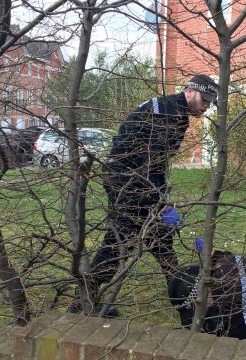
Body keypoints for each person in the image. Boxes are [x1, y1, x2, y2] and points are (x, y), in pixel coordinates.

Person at [88, 74, 219, 305]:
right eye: (204, 100)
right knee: (120, 240)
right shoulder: (167, 114)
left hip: (137, 179)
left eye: (210, 103)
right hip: (126, 182)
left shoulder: (174, 110)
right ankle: (84, 299)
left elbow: (155, 165)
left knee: (159, 235)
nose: (206, 107)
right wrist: (161, 202)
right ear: (189, 91)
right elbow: (151, 163)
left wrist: (162, 200)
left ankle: (180, 290)